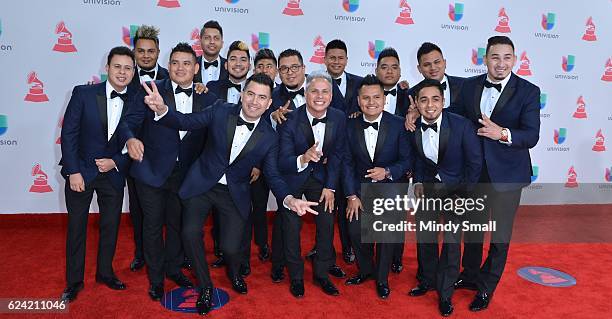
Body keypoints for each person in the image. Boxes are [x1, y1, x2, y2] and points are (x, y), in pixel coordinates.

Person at [142, 72, 319, 315]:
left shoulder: (269, 137)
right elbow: (186, 122)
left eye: (262, 98)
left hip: (233, 192)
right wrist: (162, 109)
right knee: (189, 232)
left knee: (231, 248)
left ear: (269, 103)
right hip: (202, 184)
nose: (254, 102)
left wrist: (288, 199)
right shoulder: (220, 110)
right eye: (250, 94)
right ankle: (205, 286)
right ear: (242, 94)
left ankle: (234, 272)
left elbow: (273, 174)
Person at [119, 43, 218, 301]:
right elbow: (128, 122)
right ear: (168, 65)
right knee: (152, 226)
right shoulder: (151, 89)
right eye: (175, 62)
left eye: (187, 63)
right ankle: (155, 278)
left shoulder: (208, 98)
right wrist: (130, 139)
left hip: (186, 177)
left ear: (196, 68)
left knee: (177, 226)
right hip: (150, 172)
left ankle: (174, 268)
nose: (180, 68)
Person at [453, 36, 540, 312]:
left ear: (514, 59)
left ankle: (486, 286)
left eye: (506, 58)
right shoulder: (469, 86)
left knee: (500, 236)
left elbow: (532, 135)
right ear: (485, 58)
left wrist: (501, 133)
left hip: (508, 175)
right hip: (475, 173)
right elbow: (455, 120)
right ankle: (468, 275)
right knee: (474, 230)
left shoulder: (528, 91)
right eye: (495, 57)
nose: (500, 64)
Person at [59, 46, 137, 302]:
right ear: (107, 68)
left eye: (128, 67)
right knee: (77, 228)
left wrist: (115, 162)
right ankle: (74, 281)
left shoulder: (137, 101)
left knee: (110, 226)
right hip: (81, 172)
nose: (122, 72)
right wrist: (73, 171)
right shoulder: (83, 94)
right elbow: (68, 134)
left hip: (113, 175)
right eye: (117, 66)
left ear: (134, 71)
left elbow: (137, 141)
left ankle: (105, 272)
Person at [408, 79, 482, 316]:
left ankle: (446, 292)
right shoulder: (412, 126)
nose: (430, 105)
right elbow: (418, 158)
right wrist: (418, 180)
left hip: (457, 191)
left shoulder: (461, 125)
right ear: (417, 104)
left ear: (443, 101)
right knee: (425, 239)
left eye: (435, 99)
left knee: (451, 244)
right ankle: (427, 280)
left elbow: (474, 162)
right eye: (424, 99)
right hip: (428, 190)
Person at [277, 70, 348, 298]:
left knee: (327, 224)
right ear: (306, 93)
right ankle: (296, 277)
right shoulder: (290, 120)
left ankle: (322, 274)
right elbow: (283, 161)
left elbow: (337, 155)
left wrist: (330, 187)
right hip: (294, 178)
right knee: (291, 228)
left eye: (325, 91)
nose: (320, 96)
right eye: (314, 91)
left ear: (331, 95)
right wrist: (303, 158)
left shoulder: (338, 117)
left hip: (322, 179)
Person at [342, 74, 412, 299]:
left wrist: (388, 171)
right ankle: (366, 270)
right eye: (366, 98)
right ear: (359, 100)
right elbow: (346, 163)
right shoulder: (349, 124)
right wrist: (351, 195)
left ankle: (381, 278)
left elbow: (406, 160)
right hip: (359, 191)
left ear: (384, 100)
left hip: (389, 189)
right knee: (354, 230)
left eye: (376, 97)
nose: (371, 102)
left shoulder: (398, 124)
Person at [126, 24, 170, 272]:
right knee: (139, 211)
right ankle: (141, 253)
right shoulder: (125, 77)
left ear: (157, 52)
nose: (145, 55)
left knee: (171, 212)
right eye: (140, 51)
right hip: (134, 156)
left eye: (150, 51)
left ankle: (174, 255)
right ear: (134, 52)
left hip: (165, 154)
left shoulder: (171, 75)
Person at [405, 42, 465, 130]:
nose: (433, 67)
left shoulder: (465, 85)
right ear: (419, 69)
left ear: (444, 63)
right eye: (427, 64)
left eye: (437, 62)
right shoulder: (411, 94)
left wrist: (422, 112)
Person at [194, 20, 228, 84]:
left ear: (222, 43)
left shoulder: (230, 66)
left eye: (216, 38)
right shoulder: (191, 65)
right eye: (207, 38)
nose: (212, 42)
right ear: (200, 42)